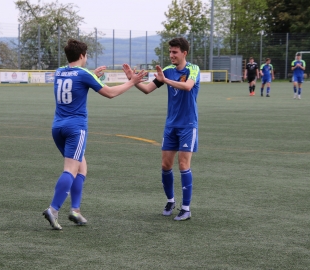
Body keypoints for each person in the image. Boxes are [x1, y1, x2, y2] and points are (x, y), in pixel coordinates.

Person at [42, 38, 146, 230]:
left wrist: (92, 74)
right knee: (71, 170)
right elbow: (110, 93)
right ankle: (53, 209)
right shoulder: (83, 74)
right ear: (82, 55)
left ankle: (75, 210)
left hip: (58, 127)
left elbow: (76, 78)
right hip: (76, 128)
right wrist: (132, 81)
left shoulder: (59, 72)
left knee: (81, 168)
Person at [123, 37, 200, 221]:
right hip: (171, 125)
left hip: (188, 124)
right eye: (170, 52)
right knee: (166, 165)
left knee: (183, 165)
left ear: (184, 53)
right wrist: (132, 80)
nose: (171, 55)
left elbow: (188, 87)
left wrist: (166, 80)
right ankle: (170, 201)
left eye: (175, 52)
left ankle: (186, 208)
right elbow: (148, 89)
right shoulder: (167, 71)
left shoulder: (192, 69)